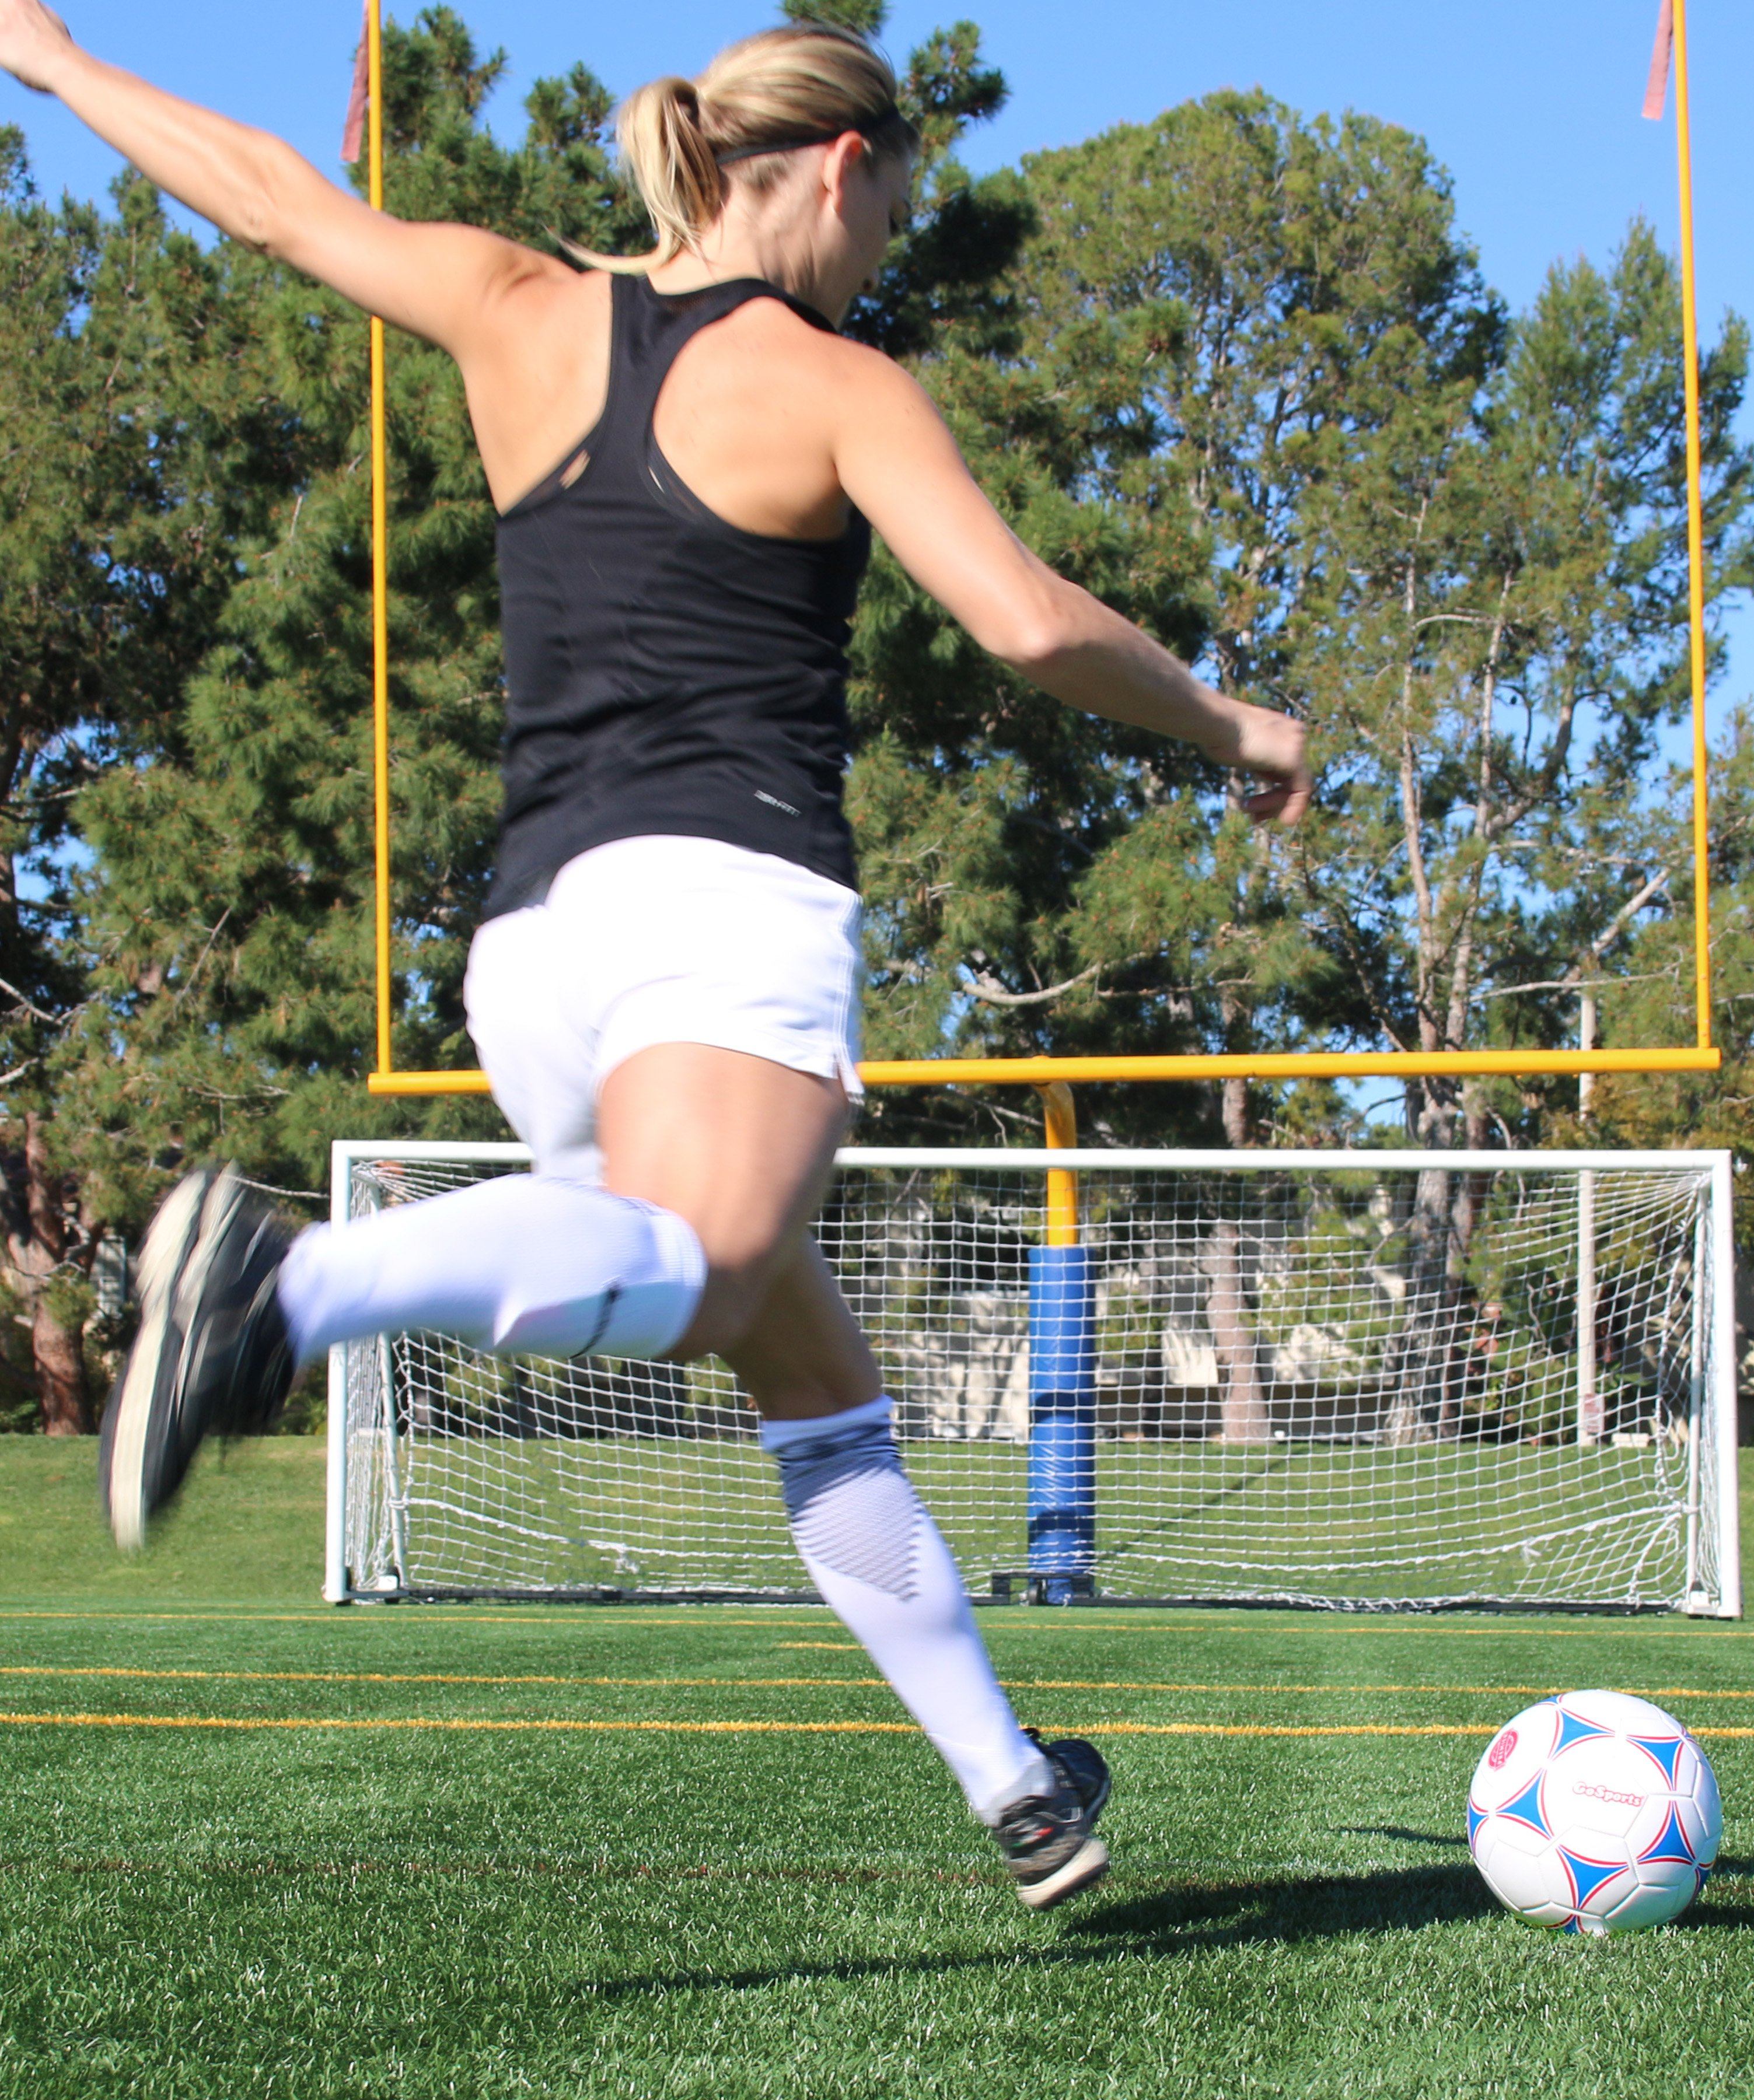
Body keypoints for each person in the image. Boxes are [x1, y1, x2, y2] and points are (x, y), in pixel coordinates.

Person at [2, 7, 1310, 1912]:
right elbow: (1026, 622)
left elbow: (278, 206)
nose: (886, 258)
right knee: (698, 1275)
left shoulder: (517, 301)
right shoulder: (839, 382)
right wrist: (1232, 726)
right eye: (895, 214)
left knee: (815, 1387)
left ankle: (1019, 1787)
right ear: (846, 168)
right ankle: (281, 1287)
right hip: (725, 909)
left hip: (538, 944)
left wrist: (50, 63)